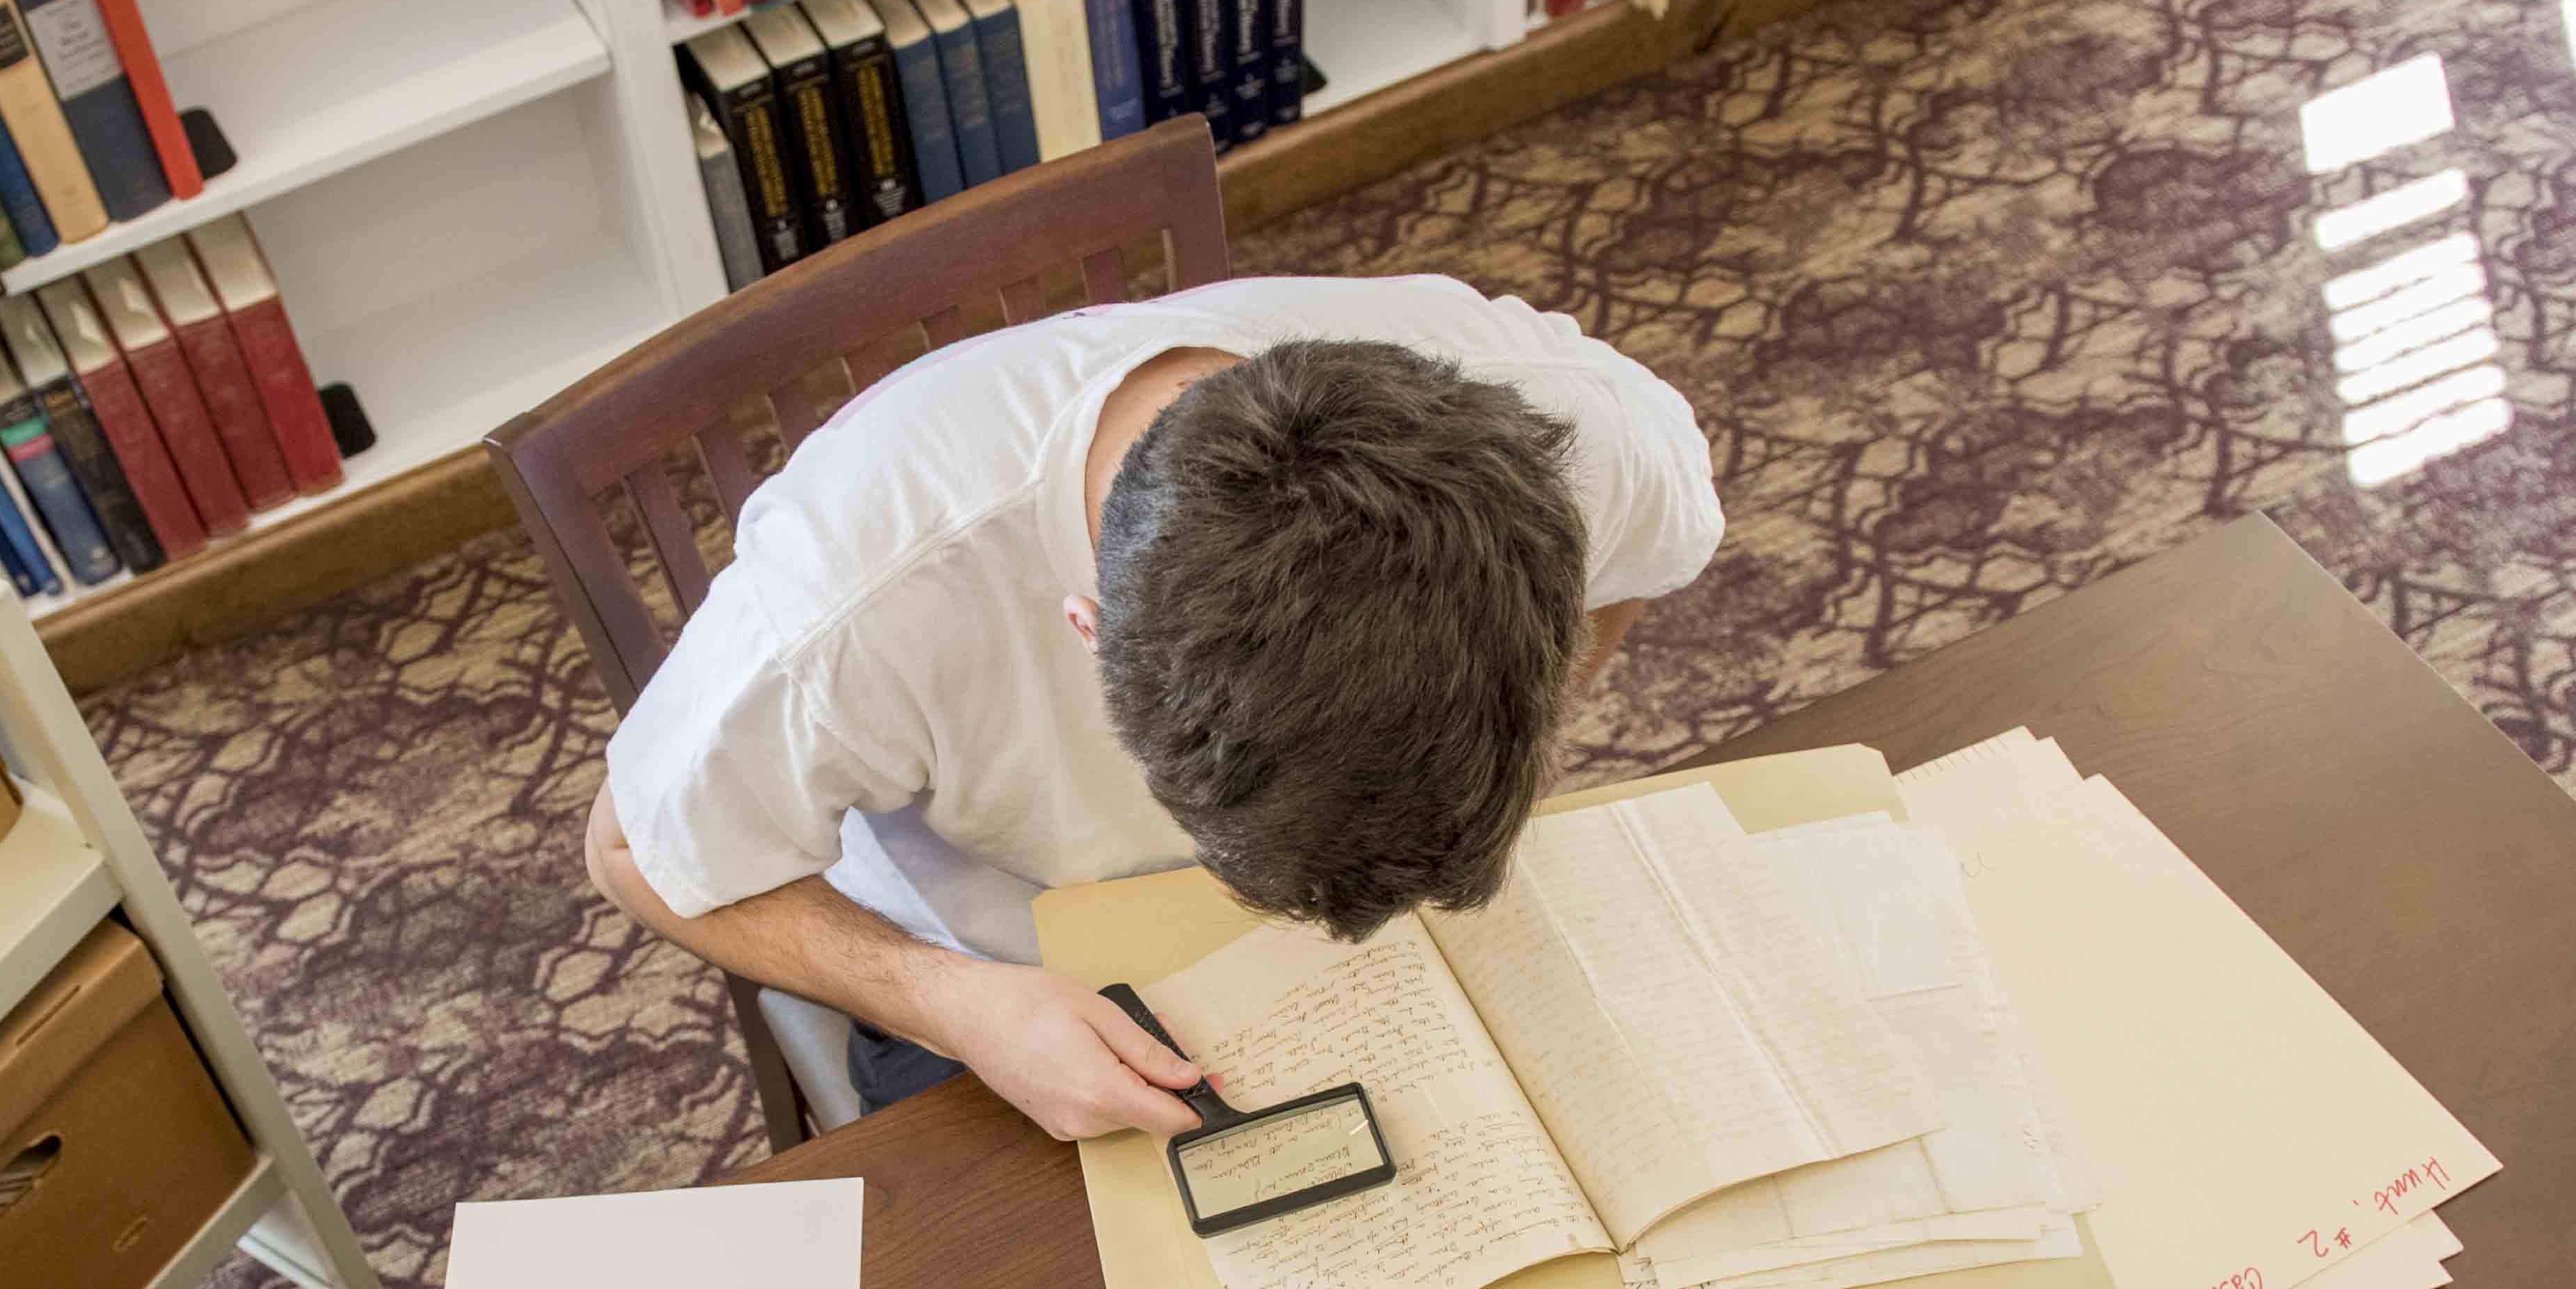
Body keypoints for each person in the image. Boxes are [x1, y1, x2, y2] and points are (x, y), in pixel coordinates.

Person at [585, 273, 1723, 1141]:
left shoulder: (1571, 432)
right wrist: (958, 1008)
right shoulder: (857, 603)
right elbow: (629, 847)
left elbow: (1638, 567)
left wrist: (1497, 753)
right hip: (1011, 977)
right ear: (1087, 633)